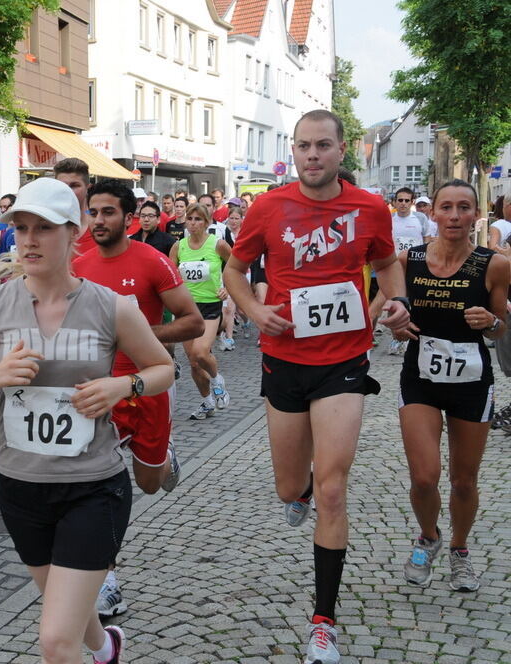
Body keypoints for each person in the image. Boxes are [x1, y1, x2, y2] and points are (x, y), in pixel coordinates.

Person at [0, 176, 174, 664]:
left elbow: (163, 369)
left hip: (93, 486)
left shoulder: (111, 306)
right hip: (22, 488)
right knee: (65, 606)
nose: (28, 239)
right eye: (20, 227)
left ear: (73, 233)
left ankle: (94, 646)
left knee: (54, 639)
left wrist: (120, 386)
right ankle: (106, 647)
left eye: (43, 228)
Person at [223, 109, 411, 664]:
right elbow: (235, 271)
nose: (312, 155)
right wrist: (255, 311)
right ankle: (297, 491)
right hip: (284, 358)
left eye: (322, 146)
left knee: (333, 488)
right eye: (303, 146)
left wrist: (394, 302)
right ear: (294, 150)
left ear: (341, 149)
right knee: (292, 488)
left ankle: (323, 623)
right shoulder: (268, 207)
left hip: (343, 360)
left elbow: (387, 265)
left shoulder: (370, 208)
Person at [72, 178, 203, 618]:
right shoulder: (81, 267)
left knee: (149, 483)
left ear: (129, 218)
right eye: (94, 212)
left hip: (147, 386)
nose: (99, 220)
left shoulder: (151, 262)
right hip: (99, 390)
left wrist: (142, 336)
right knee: (98, 485)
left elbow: (193, 323)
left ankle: (163, 455)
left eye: (108, 212)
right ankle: (108, 579)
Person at [394, 179, 509, 593]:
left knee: (464, 481)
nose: (455, 216)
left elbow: (500, 328)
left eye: (464, 208)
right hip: (420, 379)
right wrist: (397, 323)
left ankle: (459, 550)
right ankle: (429, 536)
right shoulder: (410, 260)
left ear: (476, 214)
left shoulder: (493, 263)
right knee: (424, 476)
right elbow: (391, 310)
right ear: (433, 213)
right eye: (446, 207)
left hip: (471, 383)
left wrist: (491, 323)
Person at [169, 203, 233, 419]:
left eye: (198, 219)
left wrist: (227, 289)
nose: (193, 223)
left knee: (201, 352)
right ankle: (207, 402)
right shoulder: (179, 246)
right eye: (190, 219)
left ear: (207, 222)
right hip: (186, 307)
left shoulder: (218, 244)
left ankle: (217, 380)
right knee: (194, 362)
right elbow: (168, 277)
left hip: (210, 305)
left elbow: (236, 268)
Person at [374, 187, 425, 356]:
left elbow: (428, 241)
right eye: (400, 200)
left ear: (412, 203)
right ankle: (396, 339)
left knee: (414, 303)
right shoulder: (388, 219)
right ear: (394, 202)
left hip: (416, 266)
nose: (403, 203)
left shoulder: (420, 219)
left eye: (406, 200)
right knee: (394, 301)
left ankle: (415, 338)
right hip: (394, 267)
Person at [53, 158, 96, 255]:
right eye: (62, 186)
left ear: (87, 188)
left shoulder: (101, 227)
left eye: (74, 185)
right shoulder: (46, 228)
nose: (68, 191)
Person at [219, 206, 245, 350]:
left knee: (241, 310)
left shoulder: (246, 232)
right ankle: (229, 338)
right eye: (231, 218)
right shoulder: (224, 231)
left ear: (242, 219)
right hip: (227, 271)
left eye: (237, 218)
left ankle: (246, 323)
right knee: (228, 307)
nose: (233, 221)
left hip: (244, 271)